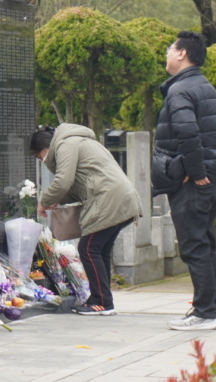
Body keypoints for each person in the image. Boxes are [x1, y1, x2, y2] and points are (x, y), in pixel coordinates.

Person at [152, 31, 216, 331]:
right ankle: (208, 309)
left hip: (192, 183)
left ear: (182, 54)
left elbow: (188, 134)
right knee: (205, 244)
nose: (167, 53)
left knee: (194, 246)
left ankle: (205, 312)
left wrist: (195, 173)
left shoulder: (180, 90)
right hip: (209, 179)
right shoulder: (204, 86)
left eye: (170, 49)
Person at [32, 124, 142, 316]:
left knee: (88, 248)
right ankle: (101, 299)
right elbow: (82, 184)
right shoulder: (81, 141)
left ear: (44, 148)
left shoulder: (66, 144)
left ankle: (102, 302)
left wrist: (45, 200)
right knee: (100, 250)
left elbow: (63, 180)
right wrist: (57, 200)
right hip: (118, 196)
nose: (43, 161)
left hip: (108, 198)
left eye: (40, 157)